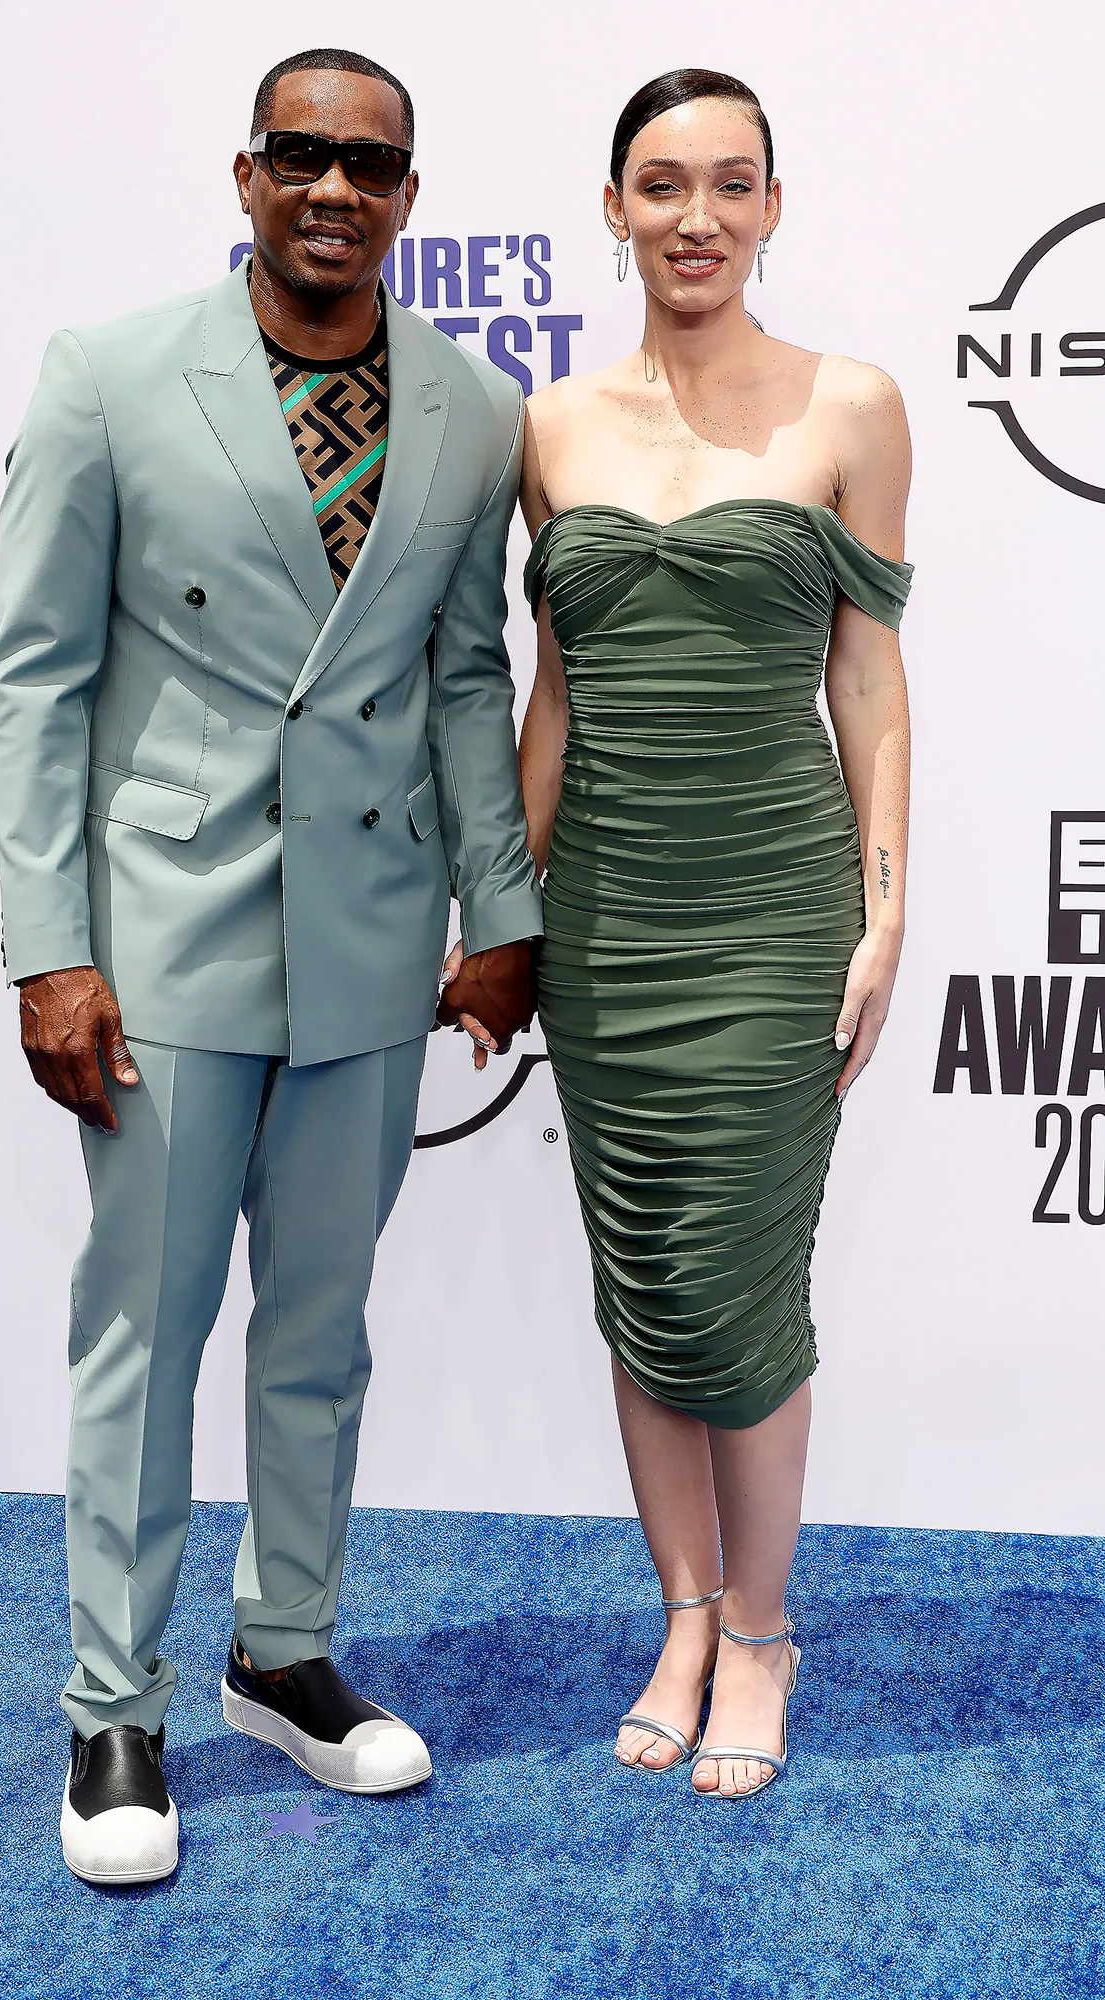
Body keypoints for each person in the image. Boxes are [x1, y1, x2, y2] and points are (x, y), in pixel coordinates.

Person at [0, 46, 540, 1884]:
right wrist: (50, 950)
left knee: (320, 1332)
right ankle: (113, 1706)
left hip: (370, 940)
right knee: (143, 1343)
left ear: (408, 195)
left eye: (369, 165)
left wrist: (503, 913)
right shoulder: (112, 375)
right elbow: (37, 679)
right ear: (246, 174)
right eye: (300, 153)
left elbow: (465, 680)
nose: (333, 189)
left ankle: (280, 1652)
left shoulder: (474, 407)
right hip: (163, 940)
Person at [516, 69, 912, 1799]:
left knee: (739, 1284)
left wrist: (883, 913)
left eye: (732, 184)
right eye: (663, 185)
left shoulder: (852, 406)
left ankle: (762, 1632)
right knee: (641, 1276)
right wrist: (507, 911)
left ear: (772, 207)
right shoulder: (548, 427)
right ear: (614, 208)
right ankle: (682, 1613)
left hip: (771, 908)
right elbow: (553, 692)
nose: (698, 217)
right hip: (604, 916)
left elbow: (868, 679)